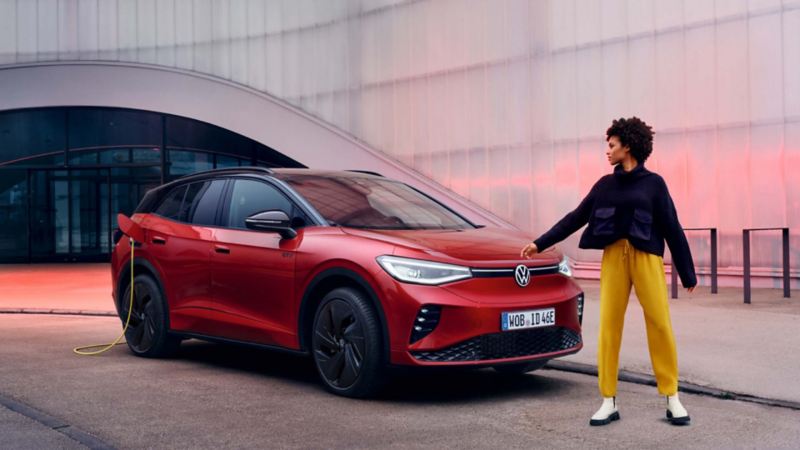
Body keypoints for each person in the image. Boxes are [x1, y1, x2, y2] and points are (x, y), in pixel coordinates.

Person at [520, 117, 696, 426]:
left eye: (612, 145)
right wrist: (540, 242)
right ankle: (608, 400)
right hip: (614, 259)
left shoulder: (654, 184)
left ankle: (672, 397)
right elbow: (575, 217)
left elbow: (672, 226)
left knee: (659, 324)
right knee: (609, 327)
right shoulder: (604, 185)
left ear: (628, 146)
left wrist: (687, 272)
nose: (608, 151)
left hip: (647, 259)